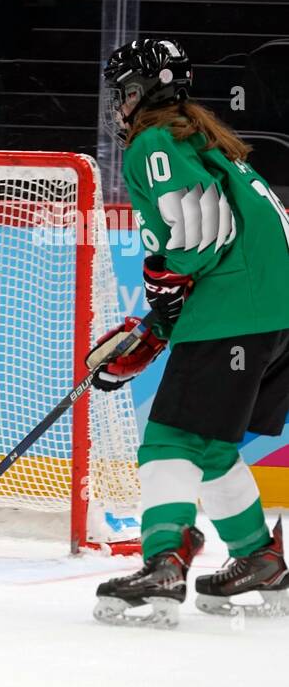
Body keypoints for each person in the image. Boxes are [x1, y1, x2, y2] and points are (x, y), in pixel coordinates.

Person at [89, 38, 289, 628]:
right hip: (266, 314)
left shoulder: (155, 142)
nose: (117, 106)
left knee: (168, 441)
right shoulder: (202, 138)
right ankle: (259, 559)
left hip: (239, 313)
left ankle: (164, 563)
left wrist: (162, 285)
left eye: (122, 92)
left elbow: (199, 235)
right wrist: (160, 319)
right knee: (209, 444)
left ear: (140, 93)